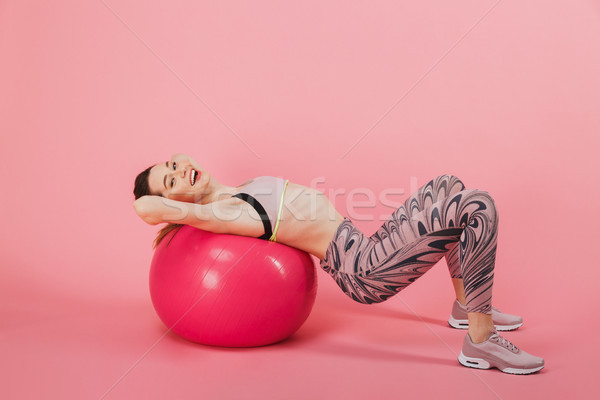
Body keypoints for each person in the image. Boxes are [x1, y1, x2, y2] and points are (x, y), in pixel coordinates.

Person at [133, 153, 544, 375]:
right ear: (176, 203)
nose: (179, 172)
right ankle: (480, 340)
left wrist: (170, 189)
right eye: (170, 181)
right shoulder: (225, 212)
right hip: (363, 270)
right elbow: (153, 209)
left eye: (172, 164)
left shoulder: (238, 188)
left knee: (448, 186)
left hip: (362, 244)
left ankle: (463, 307)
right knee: (476, 206)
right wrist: (166, 204)